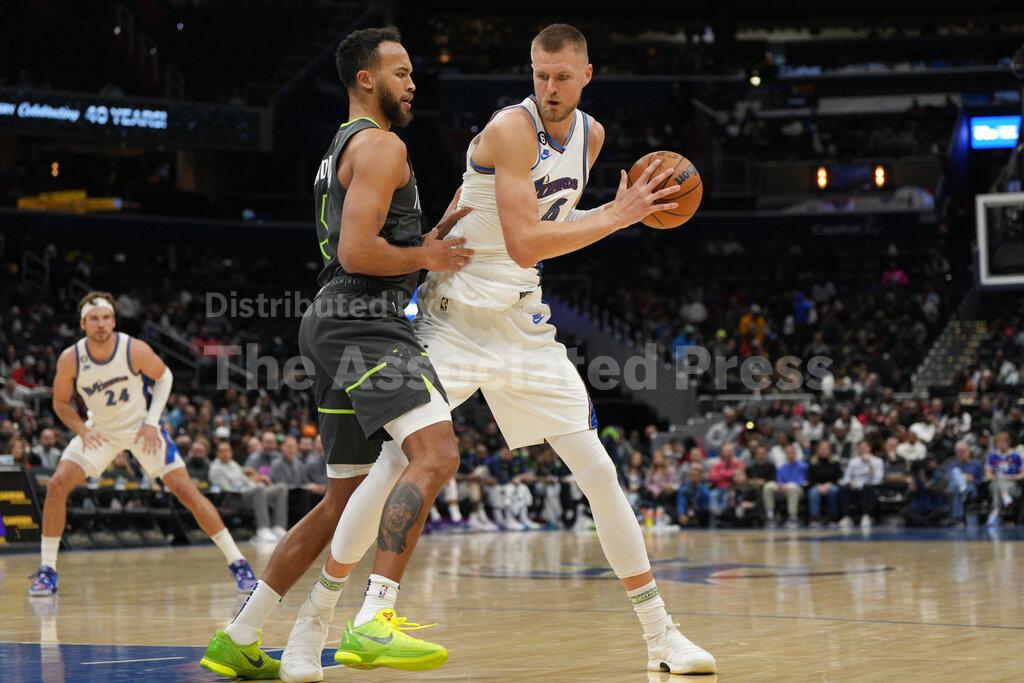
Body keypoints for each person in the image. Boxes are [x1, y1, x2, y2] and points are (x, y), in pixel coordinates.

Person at [280, 22, 714, 680]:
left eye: (562, 76)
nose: (548, 88)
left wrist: (605, 213)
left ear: (586, 76)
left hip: (522, 328)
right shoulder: (512, 129)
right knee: (397, 464)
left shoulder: (590, 138)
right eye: (539, 74)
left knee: (598, 471)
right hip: (453, 319)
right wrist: (620, 214)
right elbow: (522, 240)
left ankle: (662, 634)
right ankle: (315, 627)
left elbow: (547, 230)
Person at [199, 27, 473, 680]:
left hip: (333, 318)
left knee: (341, 500)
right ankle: (375, 620)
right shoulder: (381, 144)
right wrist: (429, 255)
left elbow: (371, 243)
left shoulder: (339, 148)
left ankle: (239, 635)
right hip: (362, 319)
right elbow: (358, 252)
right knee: (436, 453)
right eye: (401, 72)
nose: (413, 81)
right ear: (366, 80)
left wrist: (431, 235)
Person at [29, 292, 257, 597]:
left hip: (141, 428)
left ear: (114, 320)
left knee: (186, 491)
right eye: (94, 318)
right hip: (102, 431)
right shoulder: (71, 358)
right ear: (83, 323)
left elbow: (165, 377)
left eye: (107, 317)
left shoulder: (132, 348)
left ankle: (238, 563)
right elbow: (60, 403)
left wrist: (152, 421)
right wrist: (82, 429)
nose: (101, 324)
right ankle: (47, 570)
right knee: (57, 485)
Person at [208, 440, 288, 543]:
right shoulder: (215, 468)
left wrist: (258, 484)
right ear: (217, 453)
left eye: (227, 450)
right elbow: (227, 489)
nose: (225, 453)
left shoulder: (234, 464)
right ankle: (262, 529)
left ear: (231, 452)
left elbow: (246, 481)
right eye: (222, 451)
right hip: (232, 499)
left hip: (249, 494)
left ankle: (278, 527)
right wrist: (255, 488)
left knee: (281, 488)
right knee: (258, 490)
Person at [838, 441, 884, 529]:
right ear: (858, 449)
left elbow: (877, 480)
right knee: (844, 488)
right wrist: (850, 482)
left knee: (867, 487)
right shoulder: (853, 461)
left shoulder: (877, 461)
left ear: (869, 448)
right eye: (860, 448)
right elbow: (846, 477)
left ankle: (865, 516)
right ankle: (846, 517)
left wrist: (869, 464)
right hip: (854, 487)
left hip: (869, 487)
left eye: (864, 447)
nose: (862, 450)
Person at [984, 431, 1023, 527]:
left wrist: (1011, 477)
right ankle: (1005, 498)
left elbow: (1023, 474)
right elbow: (988, 475)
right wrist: (999, 477)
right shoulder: (992, 456)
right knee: (999, 478)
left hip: (1013, 485)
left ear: (1008, 443)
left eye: (1003, 442)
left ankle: (996, 511)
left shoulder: (1016, 456)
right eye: (998, 443)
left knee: (999, 482)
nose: (1000, 445)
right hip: (995, 484)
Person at [770, 444, 808, 528]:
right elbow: (779, 480)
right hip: (783, 490)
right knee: (769, 486)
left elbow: (802, 481)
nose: (790, 454)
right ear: (785, 454)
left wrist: (787, 485)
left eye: (792, 452)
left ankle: (793, 518)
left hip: (798, 490)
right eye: (788, 452)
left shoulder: (803, 466)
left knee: (792, 488)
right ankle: (770, 516)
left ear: (796, 453)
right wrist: (780, 485)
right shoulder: (782, 467)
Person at [806, 441, 842, 527]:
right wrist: (818, 486)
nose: (824, 450)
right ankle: (815, 518)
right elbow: (809, 479)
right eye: (822, 448)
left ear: (830, 450)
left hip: (831, 486)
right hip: (816, 486)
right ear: (817, 450)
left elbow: (838, 478)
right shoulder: (812, 463)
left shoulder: (835, 463)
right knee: (813, 492)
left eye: (826, 449)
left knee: (833, 490)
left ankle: (833, 518)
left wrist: (828, 485)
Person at [946, 440, 983, 525]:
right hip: (954, 486)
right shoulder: (952, 465)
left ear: (969, 451)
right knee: (955, 472)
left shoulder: (977, 464)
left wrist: (972, 479)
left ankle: (957, 519)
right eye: (959, 452)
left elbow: (981, 481)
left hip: (971, 487)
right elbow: (949, 479)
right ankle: (963, 487)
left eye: (963, 451)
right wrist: (963, 477)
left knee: (957, 489)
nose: (961, 453)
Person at [676, 463, 711, 528]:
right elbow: (681, 502)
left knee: (707, 512)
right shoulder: (684, 488)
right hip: (688, 512)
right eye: (692, 475)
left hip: (699, 512)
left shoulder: (704, 488)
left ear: (700, 476)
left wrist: (699, 487)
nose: (694, 477)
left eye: (696, 475)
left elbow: (707, 503)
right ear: (689, 476)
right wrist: (681, 514)